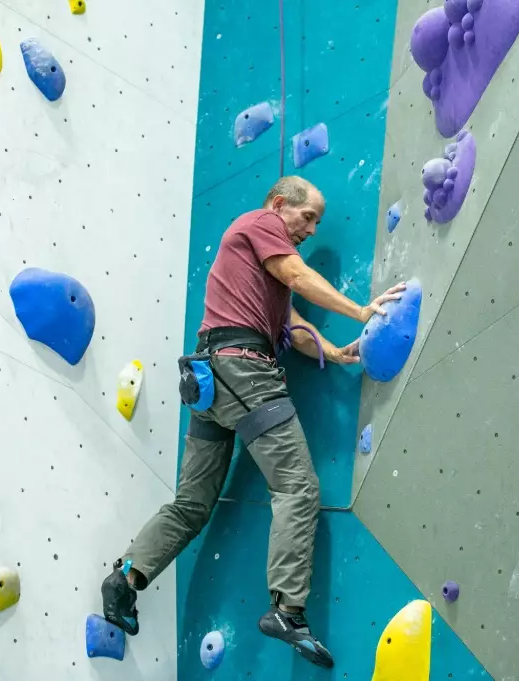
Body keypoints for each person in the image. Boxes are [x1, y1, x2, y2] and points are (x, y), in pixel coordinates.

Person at [100, 175, 406, 668]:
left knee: (192, 504)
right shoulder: (262, 224)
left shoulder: (259, 276)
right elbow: (299, 276)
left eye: (317, 223)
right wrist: (360, 310)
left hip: (209, 380)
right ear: (281, 205)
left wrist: (337, 352)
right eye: (308, 217)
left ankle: (126, 578)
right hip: (243, 369)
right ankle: (288, 608)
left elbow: (296, 329)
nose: (311, 229)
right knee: (298, 486)